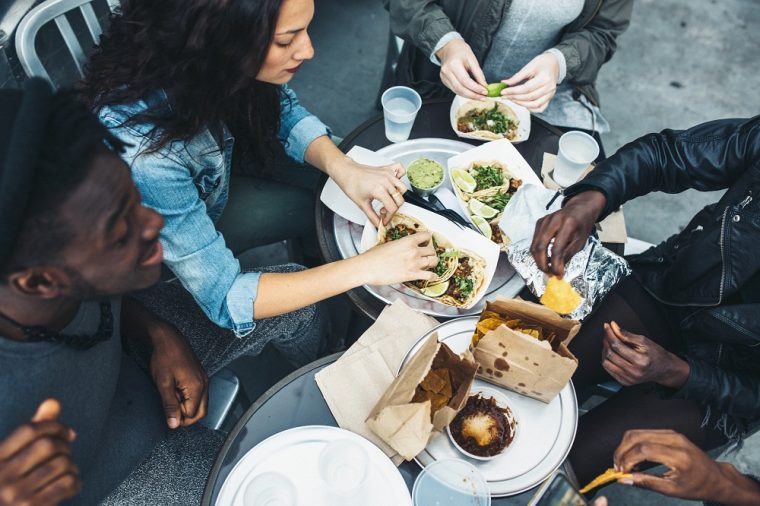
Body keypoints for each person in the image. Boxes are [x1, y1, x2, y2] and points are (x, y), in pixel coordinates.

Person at [0, 80, 326, 505]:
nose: (152, 223)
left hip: (135, 361)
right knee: (280, 485)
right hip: (114, 478)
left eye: (132, 197)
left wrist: (157, 333)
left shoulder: (66, 259)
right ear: (39, 283)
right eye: (120, 233)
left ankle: (328, 390)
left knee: (301, 304)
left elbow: (97, 302)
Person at [79, 0, 439, 354]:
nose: (310, 50)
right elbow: (227, 298)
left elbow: (280, 108)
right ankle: (326, 350)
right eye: (286, 40)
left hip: (228, 151)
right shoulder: (147, 156)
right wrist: (364, 268)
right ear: (221, 41)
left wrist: (345, 169)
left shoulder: (211, 64)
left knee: (349, 171)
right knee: (313, 212)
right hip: (183, 231)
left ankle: (319, 261)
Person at [529, 116, 760, 485]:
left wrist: (676, 371)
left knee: (559, 472)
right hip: (670, 292)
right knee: (532, 378)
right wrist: (589, 201)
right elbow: (668, 154)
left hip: (727, 388)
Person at [384, 0, 633, 147]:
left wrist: (559, 62)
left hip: (550, 97)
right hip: (441, 79)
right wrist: (446, 44)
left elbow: (603, 32)